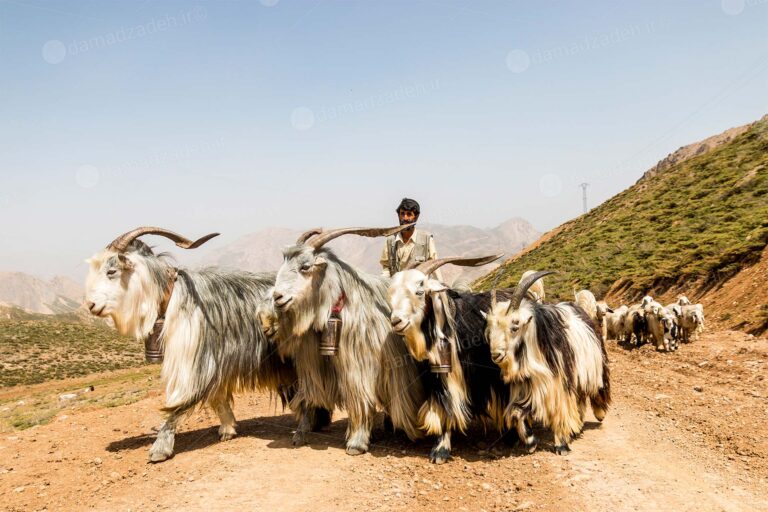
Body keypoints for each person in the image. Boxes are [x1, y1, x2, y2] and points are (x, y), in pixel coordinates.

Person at [380, 198, 442, 280]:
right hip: (396, 289)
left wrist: (441, 290)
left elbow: (434, 268)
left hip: (418, 291)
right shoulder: (390, 241)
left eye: (409, 214)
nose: (405, 218)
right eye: (402, 214)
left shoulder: (426, 239)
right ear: (398, 215)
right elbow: (386, 267)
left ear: (416, 217)